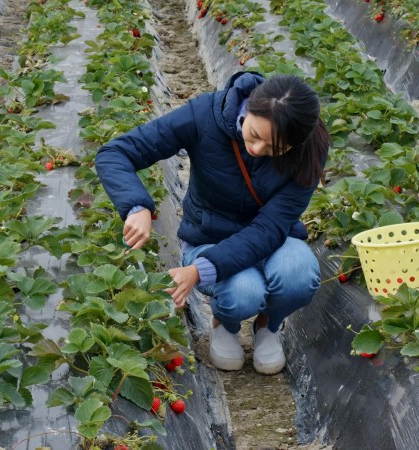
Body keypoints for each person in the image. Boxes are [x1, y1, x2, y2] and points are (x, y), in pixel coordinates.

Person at [94, 71, 328, 374]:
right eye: (254, 135)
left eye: (274, 149)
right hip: (210, 238)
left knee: (299, 273)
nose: (257, 150)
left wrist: (199, 270)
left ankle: (268, 325)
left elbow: (269, 229)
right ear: (249, 107)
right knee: (244, 291)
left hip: (272, 239)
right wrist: (136, 206)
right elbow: (116, 153)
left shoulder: (310, 148)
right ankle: (225, 323)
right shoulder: (204, 115)